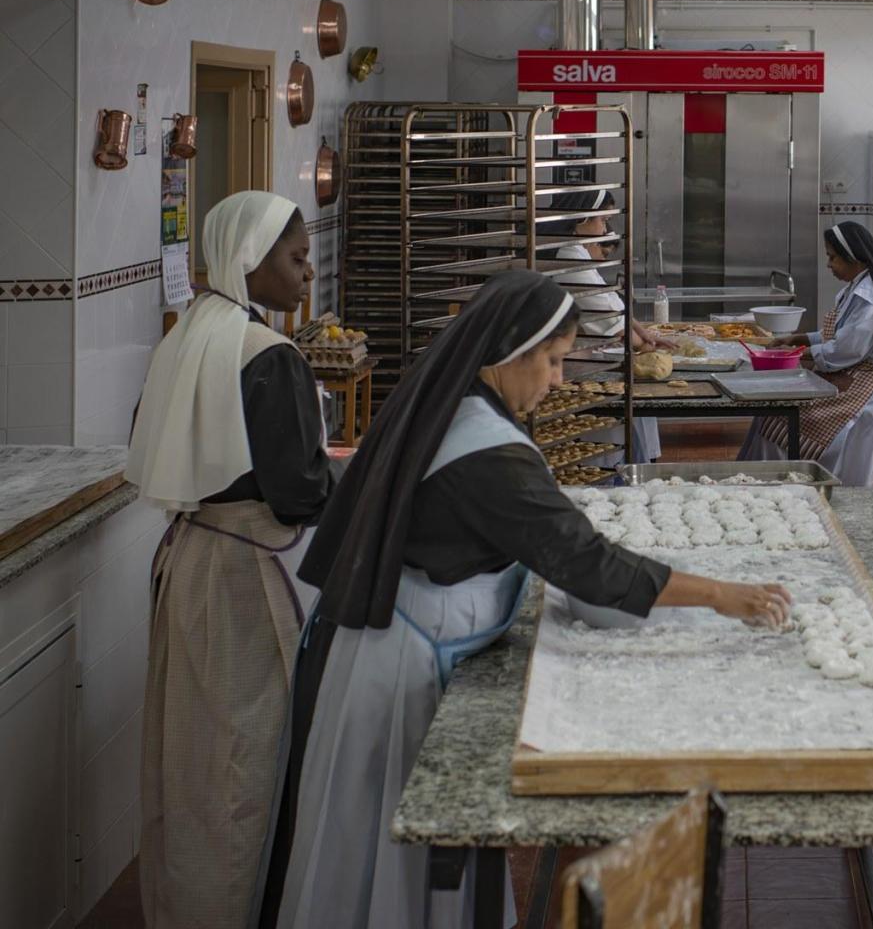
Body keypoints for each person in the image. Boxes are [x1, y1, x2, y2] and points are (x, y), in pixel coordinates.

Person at [258, 272, 791, 928]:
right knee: (392, 872)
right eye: (554, 361)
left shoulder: (458, 404)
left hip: (388, 639)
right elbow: (584, 563)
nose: (560, 380)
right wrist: (721, 596)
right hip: (393, 671)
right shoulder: (485, 450)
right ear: (509, 354)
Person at [127, 191, 335, 929]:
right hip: (246, 581)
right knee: (245, 767)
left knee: (190, 761)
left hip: (188, 566)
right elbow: (297, 493)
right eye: (296, 256)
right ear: (250, 257)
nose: (307, 272)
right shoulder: (269, 356)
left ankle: (185, 907)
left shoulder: (187, 336)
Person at [739, 221, 873, 487]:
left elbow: (846, 350)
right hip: (853, 373)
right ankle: (763, 483)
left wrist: (799, 354)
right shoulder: (858, 286)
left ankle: (783, 486)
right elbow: (839, 335)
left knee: (780, 417)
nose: (829, 264)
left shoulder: (867, 296)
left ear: (854, 259)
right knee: (771, 413)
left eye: (833, 257)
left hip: (867, 385)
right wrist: (799, 338)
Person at [543, 188, 665, 462]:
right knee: (602, 449)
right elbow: (610, 322)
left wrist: (644, 333)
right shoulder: (569, 258)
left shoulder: (576, 252)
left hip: (582, 361)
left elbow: (612, 303)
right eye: (601, 220)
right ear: (580, 219)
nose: (605, 228)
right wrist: (645, 345)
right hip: (573, 367)